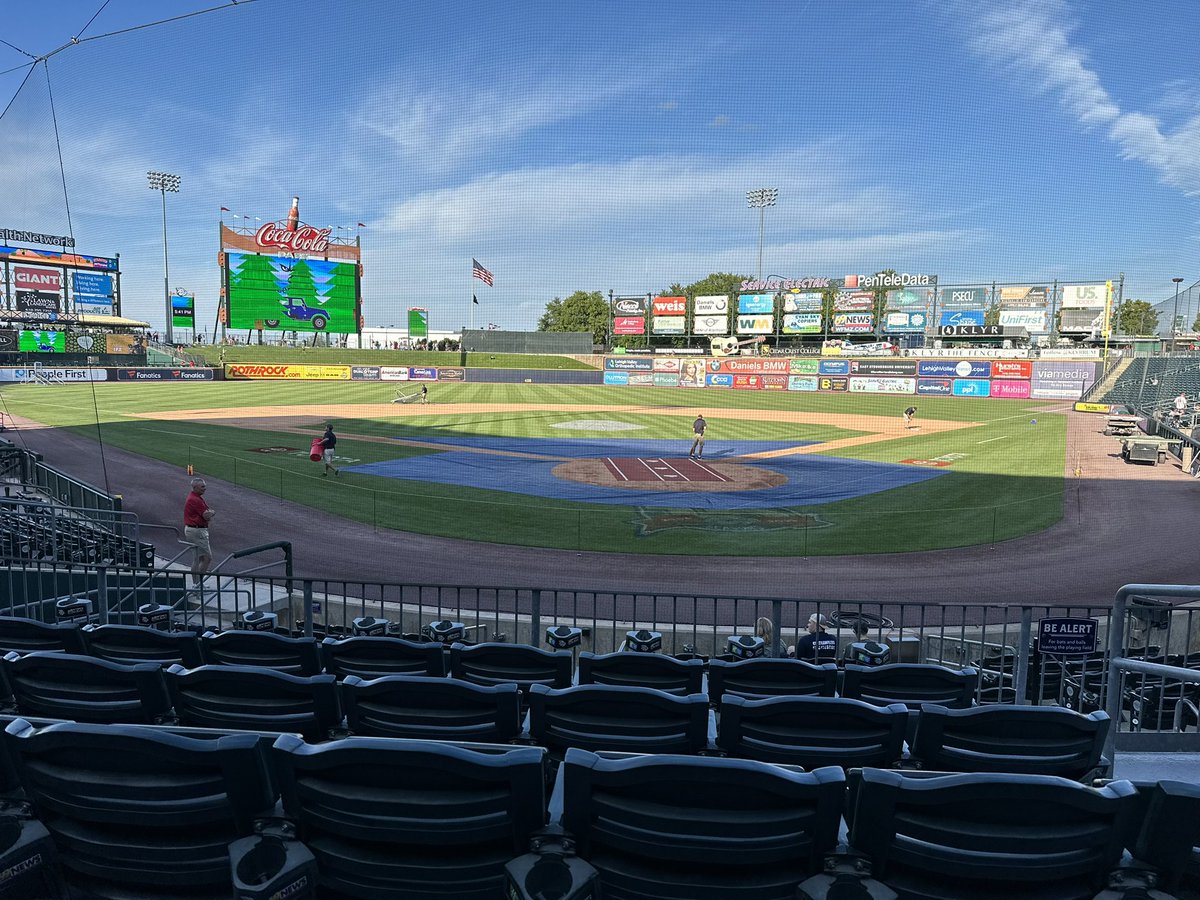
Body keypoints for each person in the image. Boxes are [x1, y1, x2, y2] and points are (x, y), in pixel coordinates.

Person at [183, 477, 214, 589]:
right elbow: (206, 514)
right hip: (197, 531)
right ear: (195, 487)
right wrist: (212, 513)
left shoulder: (196, 498)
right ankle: (198, 584)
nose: (205, 488)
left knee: (198, 558)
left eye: (204, 486)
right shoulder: (195, 499)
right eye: (202, 487)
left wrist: (209, 513)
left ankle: (196, 584)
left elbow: (206, 512)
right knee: (206, 558)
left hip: (194, 530)